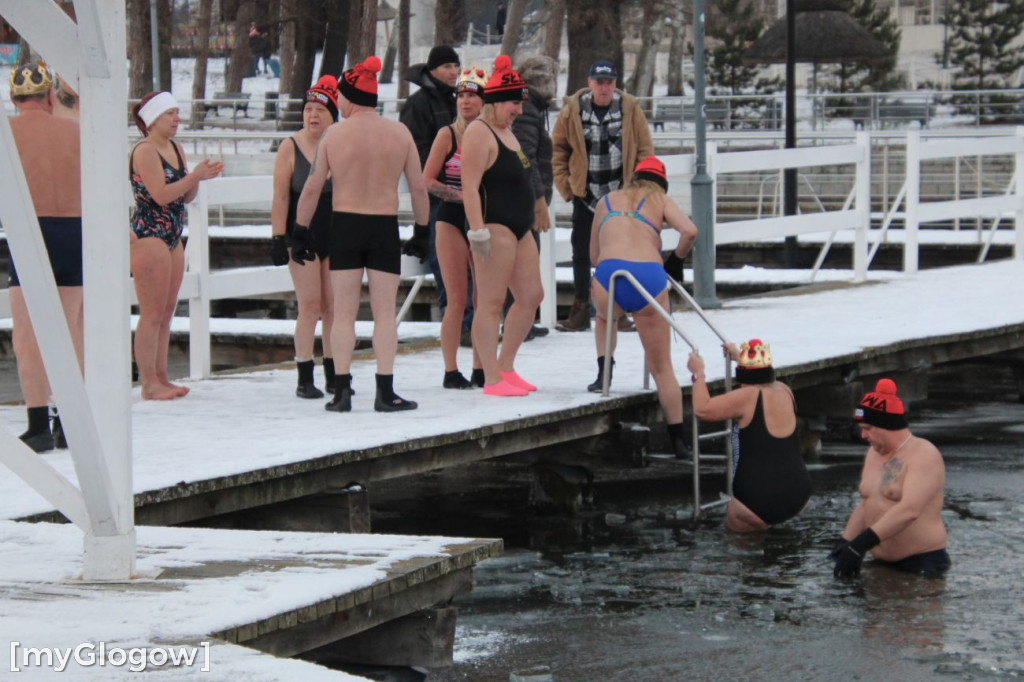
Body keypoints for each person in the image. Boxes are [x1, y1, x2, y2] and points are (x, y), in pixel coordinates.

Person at [295, 56, 430, 412]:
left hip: (346, 226)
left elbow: (311, 188)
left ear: (351, 97)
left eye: (340, 96)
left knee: (343, 314)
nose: (337, 102)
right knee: (385, 313)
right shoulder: (399, 132)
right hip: (383, 226)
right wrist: (422, 229)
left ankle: (341, 391)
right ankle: (385, 392)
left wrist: (299, 231)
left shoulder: (335, 134)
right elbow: (418, 187)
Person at [588, 156, 696, 453]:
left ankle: (604, 370)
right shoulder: (660, 200)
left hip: (611, 274)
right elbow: (690, 231)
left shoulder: (607, 200)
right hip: (649, 276)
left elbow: (594, 256)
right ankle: (678, 441)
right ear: (660, 183)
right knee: (662, 368)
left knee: (604, 318)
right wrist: (675, 262)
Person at [7, 61, 84, 452]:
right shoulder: (74, 131)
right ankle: (69, 423)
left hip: (29, 230)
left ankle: (37, 423)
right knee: (71, 330)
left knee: (28, 334)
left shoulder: (7, 133)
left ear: (13, 97)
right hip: (72, 230)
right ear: (49, 96)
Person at [130, 91, 224, 400]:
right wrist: (193, 175)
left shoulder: (176, 148)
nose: (176, 119)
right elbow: (159, 194)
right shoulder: (144, 150)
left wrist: (199, 178)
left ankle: (161, 376)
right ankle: (147, 382)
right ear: (153, 119)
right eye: (170, 113)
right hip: (149, 235)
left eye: (176, 113)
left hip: (173, 232)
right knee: (152, 312)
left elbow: (185, 197)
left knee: (168, 310)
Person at [461, 55, 544, 397]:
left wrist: (538, 204)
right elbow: (468, 186)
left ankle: (506, 365)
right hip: (494, 226)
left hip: (521, 226)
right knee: (491, 303)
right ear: (495, 102)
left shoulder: (505, 130)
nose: (519, 111)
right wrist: (477, 230)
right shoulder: (479, 132)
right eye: (514, 103)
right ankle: (491, 377)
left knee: (531, 296)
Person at [551, 58, 654, 332]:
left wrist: (638, 189)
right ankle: (581, 309)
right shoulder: (571, 112)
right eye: (599, 82)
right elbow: (558, 150)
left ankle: (618, 312)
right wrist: (567, 188)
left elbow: (645, 150)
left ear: (615, 84)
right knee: (581, 253)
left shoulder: (631, 110)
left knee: (619, 253)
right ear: (589, 83)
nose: (604, 88)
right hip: (585, 195)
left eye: (609, 82)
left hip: (620, 196)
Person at [686, 339, 813, 533]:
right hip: (799, 494)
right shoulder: (784, 390)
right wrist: (738, 355)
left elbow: (703, 409)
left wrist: (698, 373)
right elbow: (760, 378)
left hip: (756, 502)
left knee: (743, 554)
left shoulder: (748, 396)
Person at [831, 378, 951, 578]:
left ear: (887, 425)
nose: (863, 435)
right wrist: (845, 543)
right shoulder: (874, 452)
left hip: (921, 563)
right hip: (880, 563)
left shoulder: (924, 455)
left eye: (867, 428)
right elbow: (867, 502)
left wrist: (861, 543)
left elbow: (909, 510)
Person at [270, 76, 339, 399]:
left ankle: (333, 372)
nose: (313, 116)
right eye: (309, 110)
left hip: (334, 232)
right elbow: (281, 196)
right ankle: (303, 375)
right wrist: (277, 236)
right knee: (310, 305)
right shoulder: (291, 146)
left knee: (333, 308)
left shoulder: (340, 141)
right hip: (301, 236)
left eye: (320, 110)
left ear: (332, 115)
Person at [399, 45, 471, 345]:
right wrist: (447, 164)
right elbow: (413, 148)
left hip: (468, 193)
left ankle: (475, 320)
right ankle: (459, 325)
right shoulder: (418, 104)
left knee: (472, 261)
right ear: (432, 70)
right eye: (446, 66)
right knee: (447, 264)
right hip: (437, 195)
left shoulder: (461, 99)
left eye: (456, 66)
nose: (453, 71)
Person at [421, 66, 487, 389]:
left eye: (471, 96)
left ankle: (480, 366)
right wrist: (460, 195)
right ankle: (450, 370)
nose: (465, 102)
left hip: (482, 219)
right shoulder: (447, 134)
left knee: (484, 296)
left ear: (483, 101)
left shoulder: (491, 134)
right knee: (457, 298)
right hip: (451, 217)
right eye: (460, 95)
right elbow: (427, 180)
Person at [510, 54, 558, 342]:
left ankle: (523, 320)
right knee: (523, 265)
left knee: (526, 263)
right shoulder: (528, 110)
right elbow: (525, 155)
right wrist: (539, 197)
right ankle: (518, 321)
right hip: (524, 200)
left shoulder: (532, 108)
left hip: (525, 196)